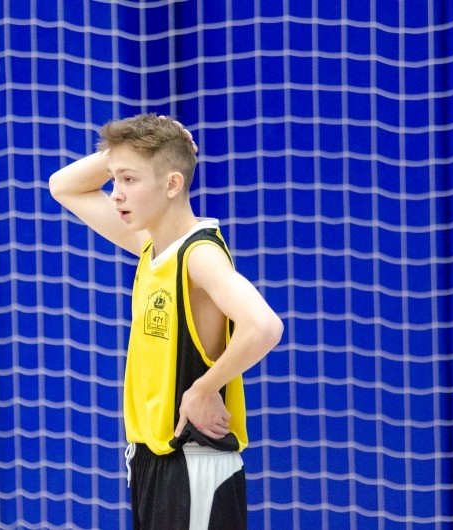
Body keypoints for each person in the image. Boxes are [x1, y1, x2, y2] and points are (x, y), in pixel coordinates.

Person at [49, 113, 283, 529]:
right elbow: (62, 185)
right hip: (153, 461)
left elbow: (264, 326)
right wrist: (136, 148)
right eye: (114, 179)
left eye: (129, 179)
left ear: (173, 184)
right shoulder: (152, 246)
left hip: (193, 462)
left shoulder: (200, 255)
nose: (116, 194)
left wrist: (203, 389)